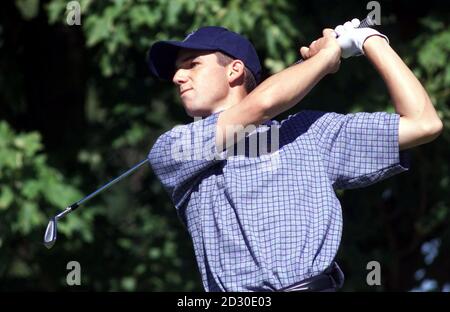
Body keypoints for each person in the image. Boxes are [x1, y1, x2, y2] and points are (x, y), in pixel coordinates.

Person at [146, 20, 443, 292]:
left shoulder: (309, 132)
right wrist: (327, 58)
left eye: (192, 64)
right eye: (176, 69)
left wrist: (369, 40)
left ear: (233, 70)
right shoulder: (175, 146)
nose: (177, 77)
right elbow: (259, 107)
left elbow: (424, 123)